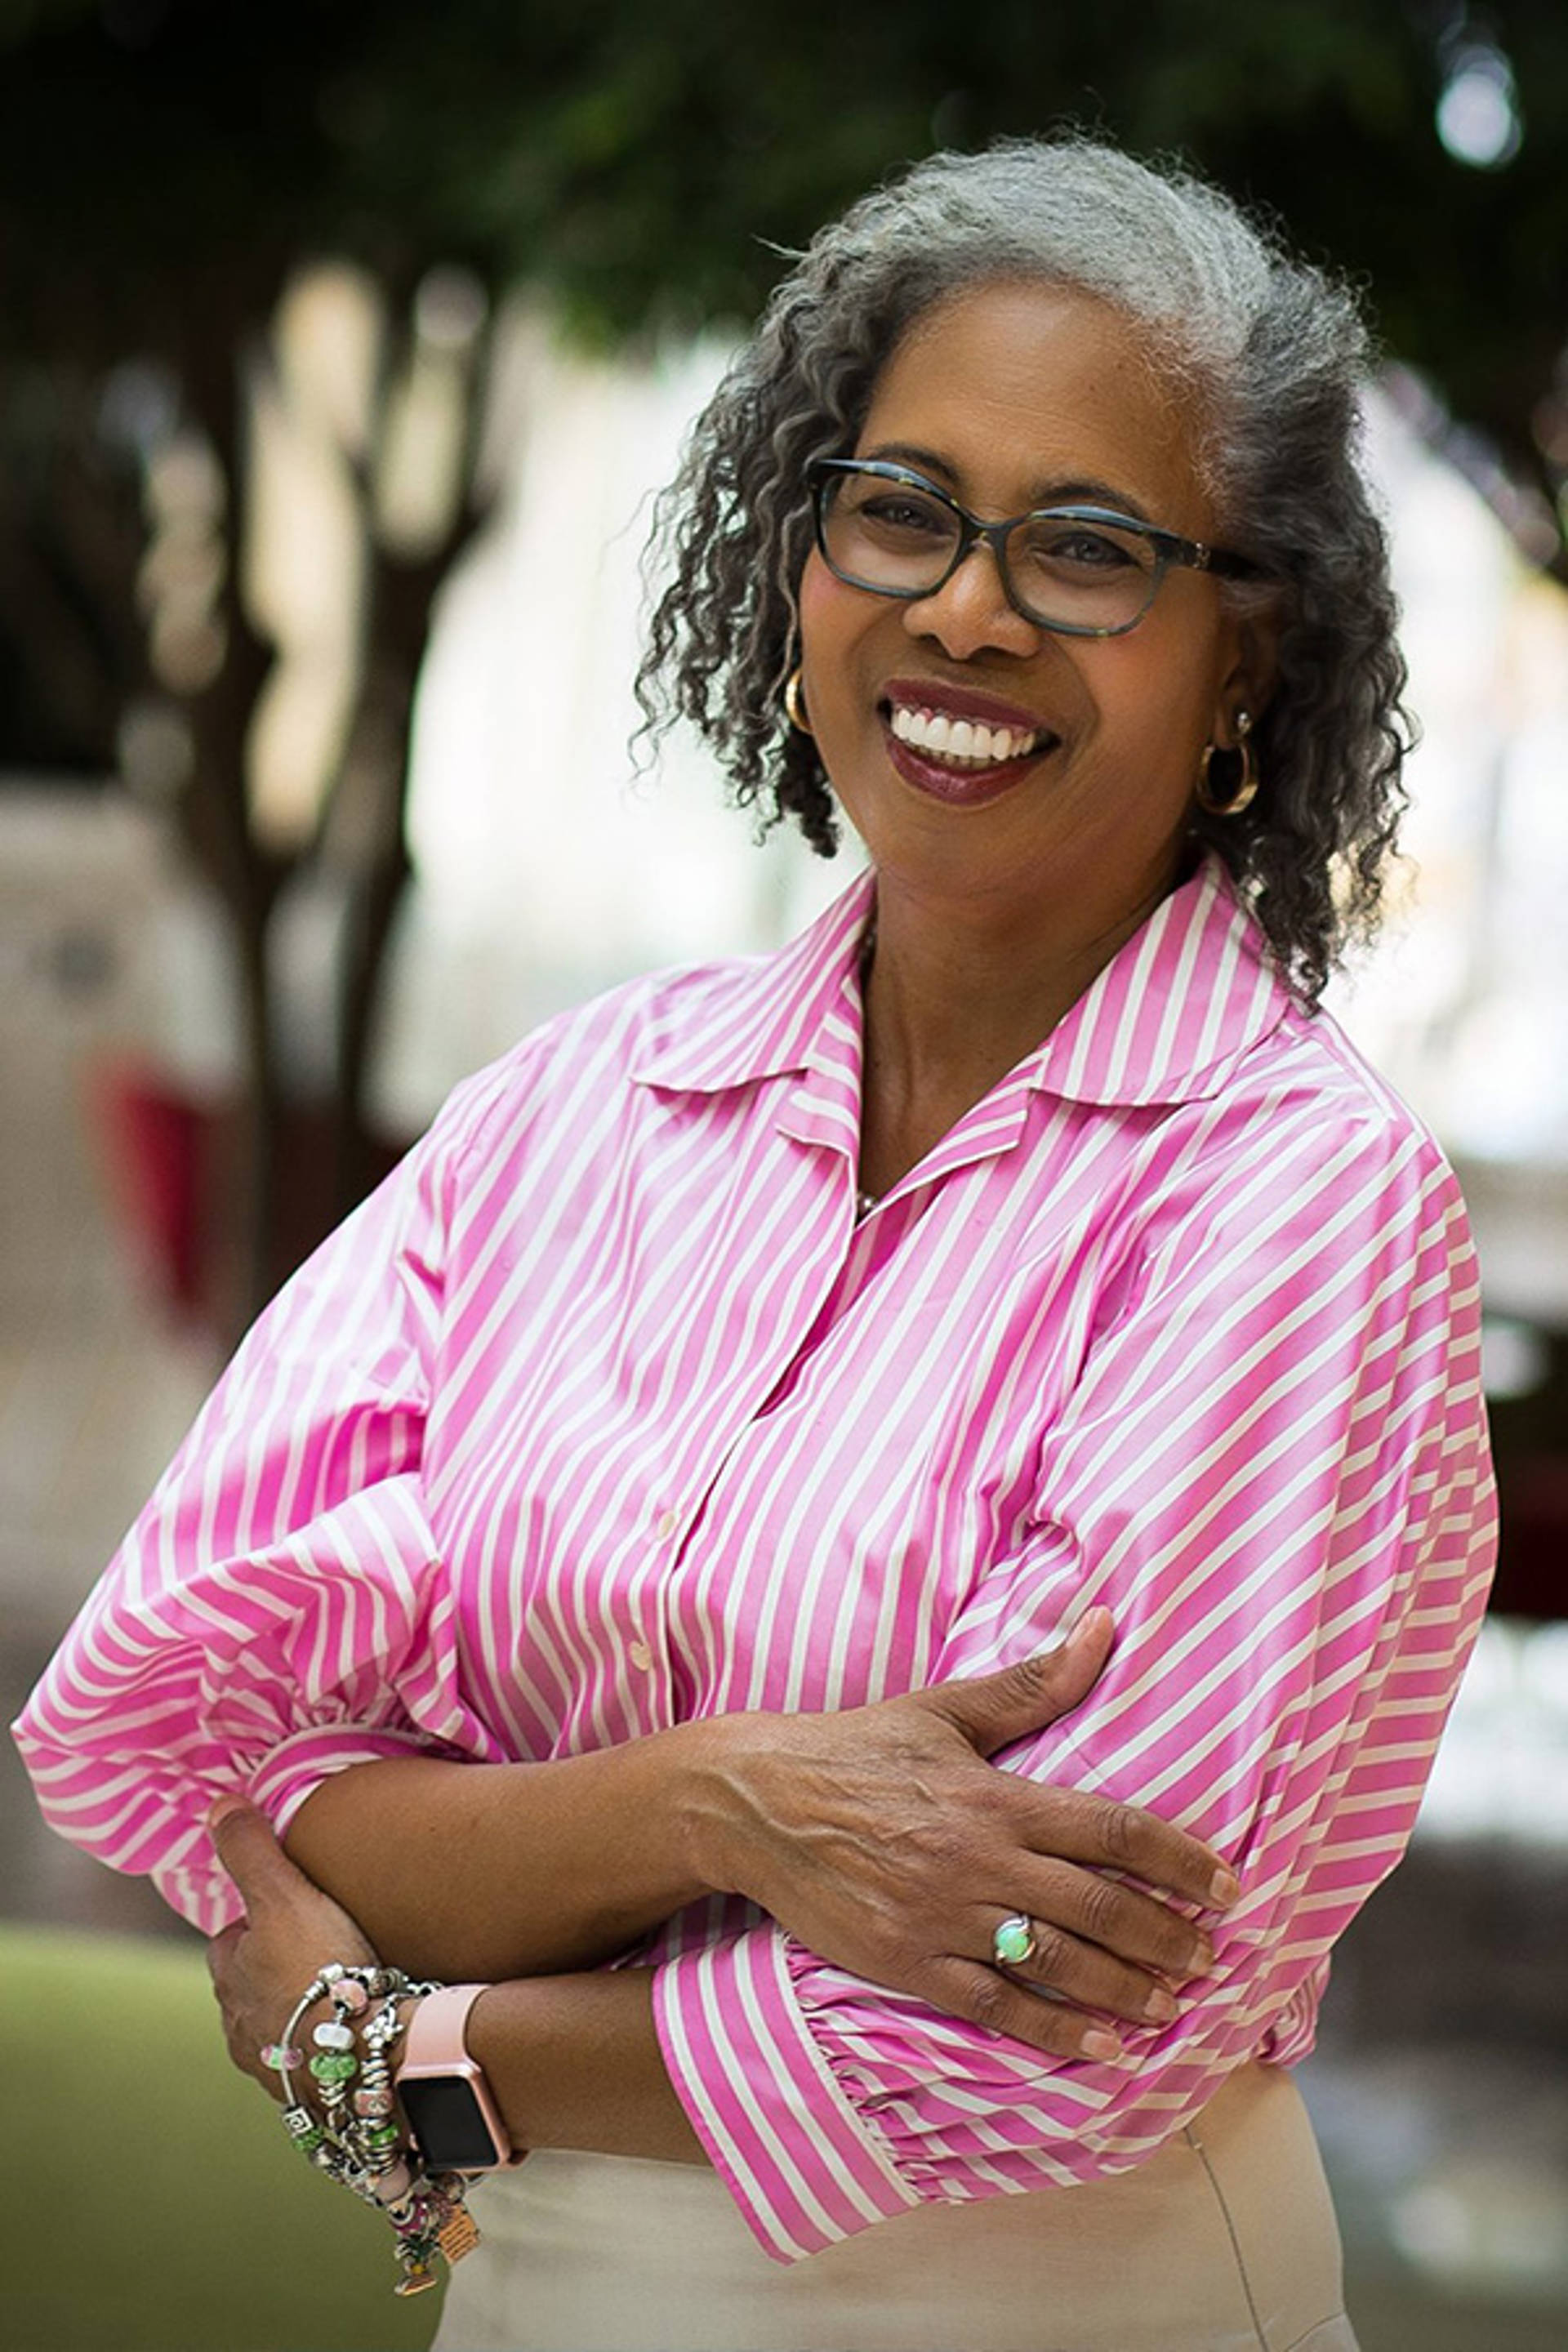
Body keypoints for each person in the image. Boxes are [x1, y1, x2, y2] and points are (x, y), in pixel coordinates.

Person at [15, 136, 1495, 2352]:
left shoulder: (1288, 1194)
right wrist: (734, 1804)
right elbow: (203, 1739)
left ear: (1248, 651)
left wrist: (396, 2050)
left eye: (1087, 548)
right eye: (901, 507)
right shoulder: (573, 1112)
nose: (967, 609)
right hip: (533, 2305)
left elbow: (1044, 2012)